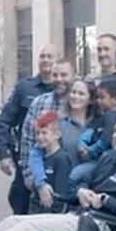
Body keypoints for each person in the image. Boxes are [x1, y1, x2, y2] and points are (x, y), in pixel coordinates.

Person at [0, 45, 60, 214]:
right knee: (21, 206)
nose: (45, 60)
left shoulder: (63, 89)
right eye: (42, 56)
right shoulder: (24, 88)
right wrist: (4, 153)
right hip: (27, 160)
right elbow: (5, 121)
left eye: (50, 56)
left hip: (56, 161)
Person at [30, 80, 95, 213]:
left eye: (81, 93)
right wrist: (40, 183)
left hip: (84, 190)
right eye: (73, 92)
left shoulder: (96, 126)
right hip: (56, 189)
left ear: (90, 100)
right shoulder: (58, 124)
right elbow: (36, 153)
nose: (76, 96)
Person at [22, 60, 76, 204]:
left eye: (64, 75)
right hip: (43, 175)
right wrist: (28, 173)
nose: (59, 79)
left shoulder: (79, 102)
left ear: (73, 76)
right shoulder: (39, 102)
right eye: (55, 75)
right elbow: (28, 139)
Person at [71, 77, 116, 186]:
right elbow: (89, 132)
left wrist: (90, 151)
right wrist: (82, 144)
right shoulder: (100, 117)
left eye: (102, 98)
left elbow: (106, 140)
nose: (98, 101)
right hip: (93, 158)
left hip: (104, 161)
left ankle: (71, 200)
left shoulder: (114, 118)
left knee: (74, 176)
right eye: (97, 97)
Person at [31, 111, 79, 213]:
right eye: (37, 133)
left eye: (44, 133)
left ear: (57, 134)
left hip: (49, 215)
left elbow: (61, 196)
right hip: (35, 210)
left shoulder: (62, 159)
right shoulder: (39, 158)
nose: (40, 137)